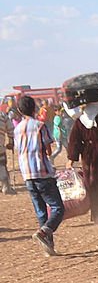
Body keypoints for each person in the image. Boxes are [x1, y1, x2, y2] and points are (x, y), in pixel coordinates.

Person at [13, 94, 64, 256]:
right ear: (34, 108)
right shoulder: (40, 126)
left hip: (27, 174)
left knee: (41, 211)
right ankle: (44, 232)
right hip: (42, 171)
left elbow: (18, 149)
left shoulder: (17, 129)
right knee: (57, 208)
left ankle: (48, 248)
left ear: (20, 111)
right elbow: (48, 149)